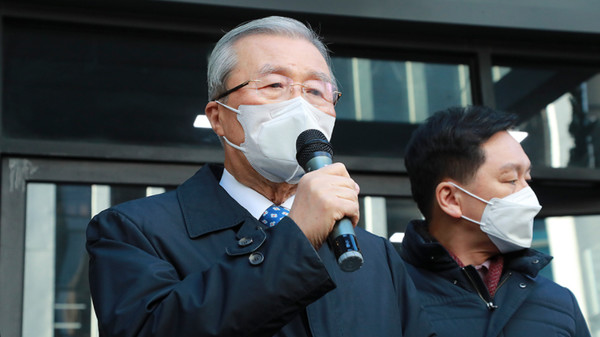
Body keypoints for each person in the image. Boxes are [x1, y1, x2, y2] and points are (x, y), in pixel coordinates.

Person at [87, 16, 433, 337]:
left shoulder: (378, 255)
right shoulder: (134, 232)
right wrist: (296, 237)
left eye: (315, 90)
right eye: (273, 84)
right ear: (218, 117)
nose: (300, 105)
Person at [400, 105, 591, 337]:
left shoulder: (559, 304)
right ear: (450, 199)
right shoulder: (391, 296)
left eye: (526, 179)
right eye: (510, 179)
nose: (528, 197)